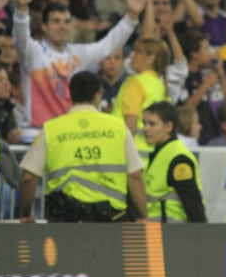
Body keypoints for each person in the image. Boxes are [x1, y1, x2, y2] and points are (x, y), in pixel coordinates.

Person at [12, 0, 149, 142]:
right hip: (36, 135)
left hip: (68, 136)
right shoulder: (32, 52)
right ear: (44, 26)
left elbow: (109, 45)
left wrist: (131, 16)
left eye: (66, 22)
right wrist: (21, 9)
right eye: (56, 21)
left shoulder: (77, 54)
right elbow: (20, 36)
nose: (62, 26)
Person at [18, 71, 147, 223]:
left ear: (71, 95)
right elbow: (135, 176)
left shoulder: (51, 129)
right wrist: (142, 215)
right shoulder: (118, 128)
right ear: (98, 95)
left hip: (65, 220)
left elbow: (28, 178)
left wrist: (26, 214)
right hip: (111, 220)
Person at [142, 101, 206, 223]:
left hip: (173, 232)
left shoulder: (179, 158)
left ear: (169, 127)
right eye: (144, 123)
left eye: (152, 124)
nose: (145, 129)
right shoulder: (159, 152)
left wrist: (200, 236)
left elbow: (192, 203)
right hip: (157, 231)